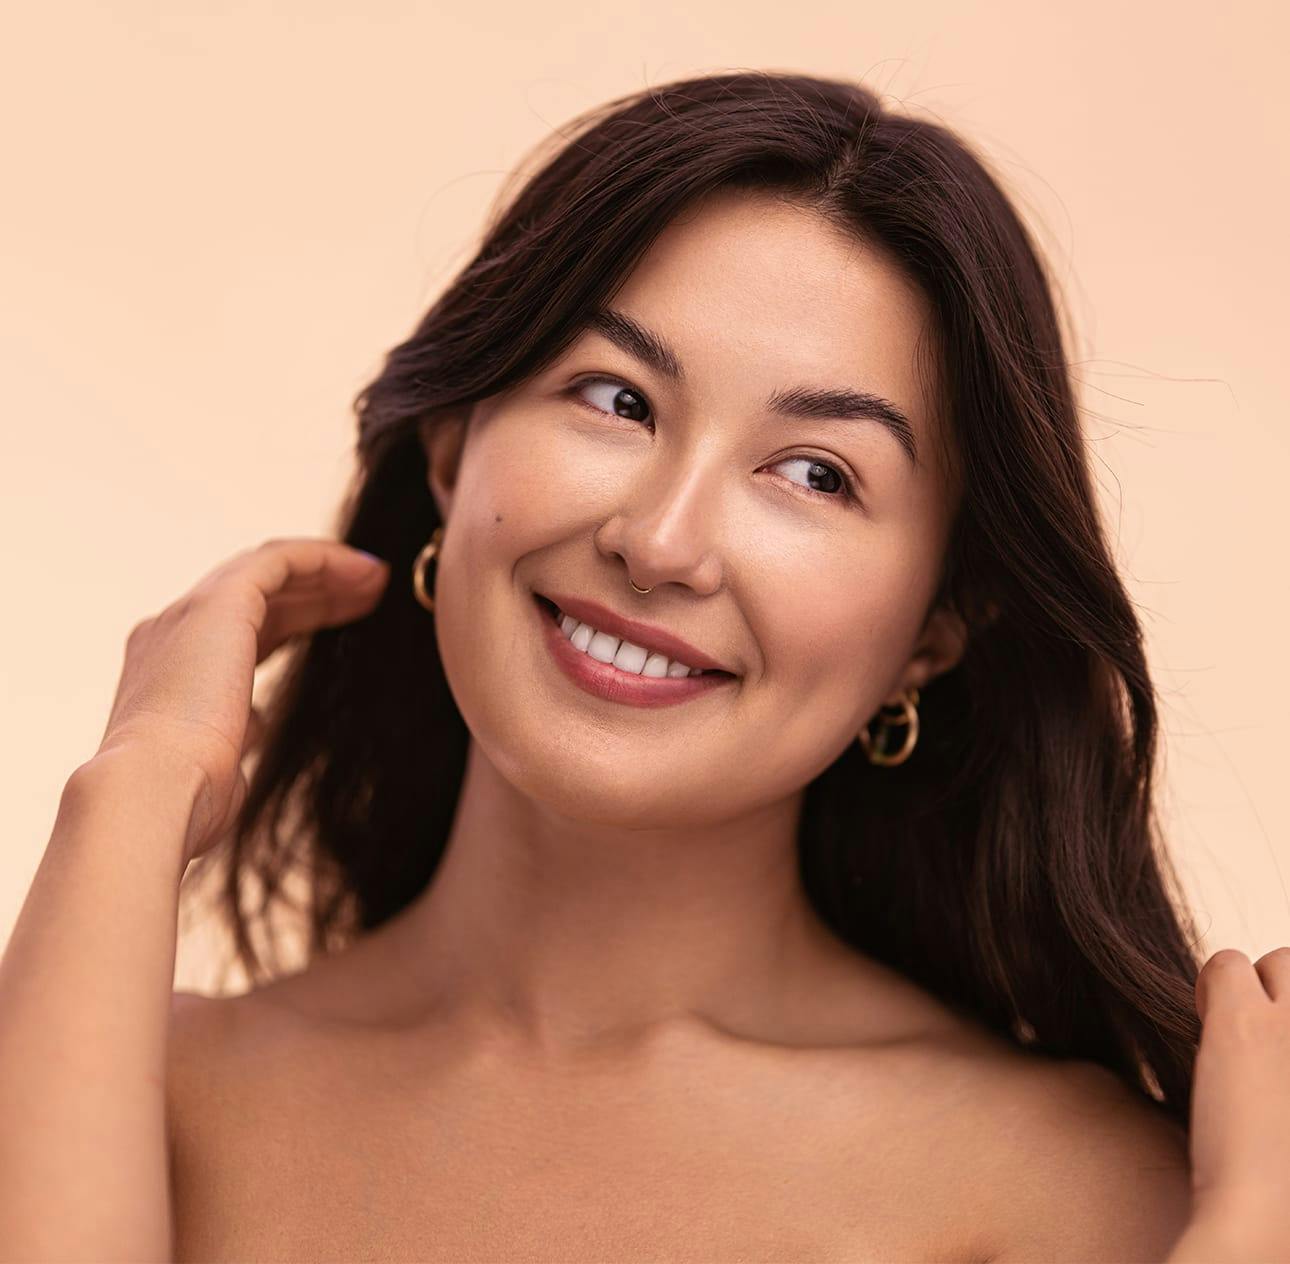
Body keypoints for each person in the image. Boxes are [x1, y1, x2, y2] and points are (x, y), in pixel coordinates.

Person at [0, 69, 1286, 1262]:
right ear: (452, 450)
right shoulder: (131, 1099)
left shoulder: (1081, 1191)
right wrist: (133, 791)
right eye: (617, 400)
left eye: (815, 474)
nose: (662, 542)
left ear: (935, 632)